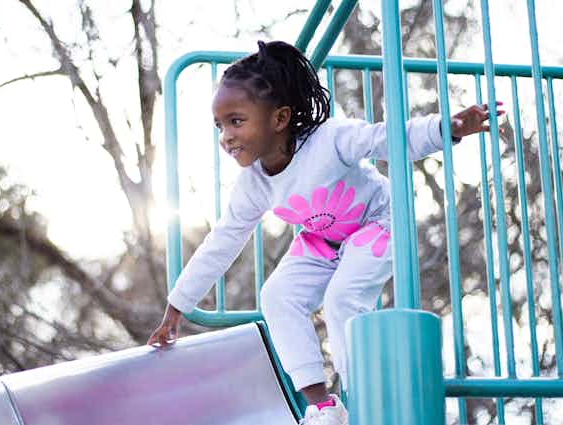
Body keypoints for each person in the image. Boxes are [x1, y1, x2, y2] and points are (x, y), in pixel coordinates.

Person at [148, 40, 504, 425]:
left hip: (377, 222)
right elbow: (222, 242)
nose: (226, 136)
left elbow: (385, 137)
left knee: (342, 297)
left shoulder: (330, 139)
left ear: (279, 118)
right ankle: (322, 405)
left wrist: (446, 128)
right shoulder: (253, 184)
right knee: (277, 295)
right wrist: (177, 307)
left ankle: (360, 396)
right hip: (322, 240)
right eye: (220, 126)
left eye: (236, 121)